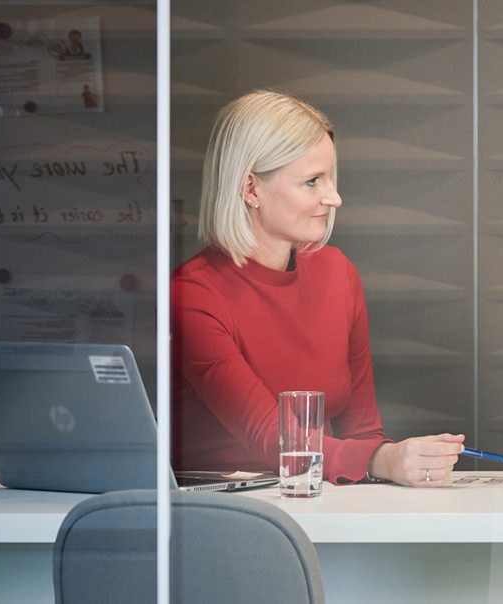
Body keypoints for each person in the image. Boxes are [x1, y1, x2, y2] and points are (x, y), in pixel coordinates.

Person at [173, 90, 461, 487]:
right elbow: (269, 437)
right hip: (219, 515)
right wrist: (385, 459)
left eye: (330, 178)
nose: (335, 198)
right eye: (311, 182)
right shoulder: (193, 294)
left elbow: (363, 431)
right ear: (251, 189)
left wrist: (387, 459)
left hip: (312, 500)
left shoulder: (336, 272)